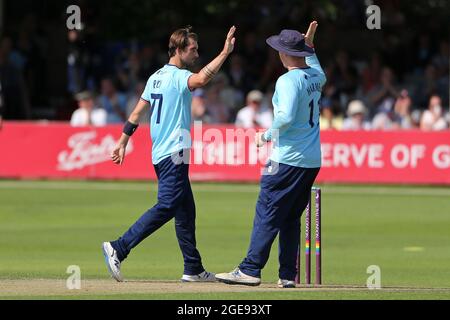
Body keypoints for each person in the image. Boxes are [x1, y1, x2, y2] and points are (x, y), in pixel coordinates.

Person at [102, 26, 236, 283]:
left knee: (186, 210)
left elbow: (136, 114)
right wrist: (225, 52)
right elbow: (202, 79)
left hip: (163, 153)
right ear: (178, 49)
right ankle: (118, 247)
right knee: (167, 205)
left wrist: (122, 141)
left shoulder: (155, 77)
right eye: (193, 49)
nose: (196, 53)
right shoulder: (177, 76)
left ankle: (193, 268)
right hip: (174, 151)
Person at [215, 21, 326, 288]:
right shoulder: (316, 76)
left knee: (267, 211)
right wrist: (309, 45)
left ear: (284, 54)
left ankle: (250, 269)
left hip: (287, 158)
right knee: (290, 218)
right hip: (311, 160)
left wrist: (264, 136)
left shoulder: (288, 80)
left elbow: (286, 116)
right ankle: (288, 274)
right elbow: (314, 63)